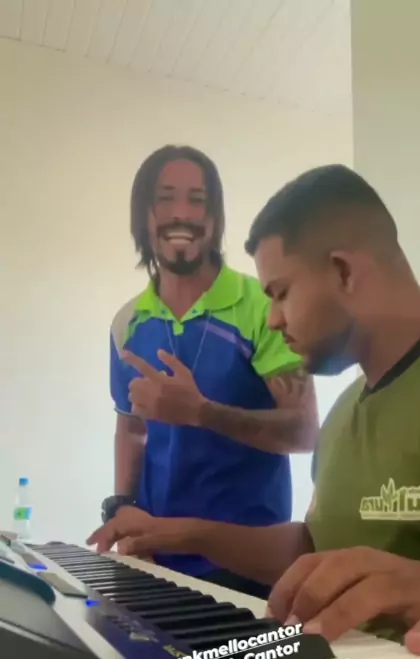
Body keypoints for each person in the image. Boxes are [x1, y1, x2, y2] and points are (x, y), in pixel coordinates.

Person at [89, 163, 420, 659]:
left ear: (343, 272)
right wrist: (180, 532)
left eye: (281, 292)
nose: (273, 318)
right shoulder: (343, 417)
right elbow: (314, 549)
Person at [98, 145, 318, 598]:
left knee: (262, 650)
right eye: (165, 198)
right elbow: (132, 429)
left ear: (215, 219)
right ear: (143, 216)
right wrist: (122, 508)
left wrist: (200, 412)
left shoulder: (264, 307)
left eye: (197, 200)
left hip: (248, 566)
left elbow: (304, 432)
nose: (181, 213)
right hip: (154, 560)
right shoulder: (128, 323)